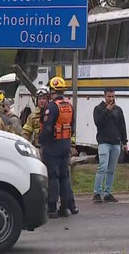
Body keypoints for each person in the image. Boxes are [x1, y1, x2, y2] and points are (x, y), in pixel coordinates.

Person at [38, 76, 78, 217]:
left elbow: (48, 128)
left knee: (53, 176)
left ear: (52, 91)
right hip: (65, 144)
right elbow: (72, 126)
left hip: (53, 145)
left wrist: (40, 140)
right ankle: (65, 207)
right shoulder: (69, 106)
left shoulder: (52, 107)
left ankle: (52, 207)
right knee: (64, 177)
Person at [92, 88, 128, 203]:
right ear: (104, 96)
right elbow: (98, 122)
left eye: (113, 96)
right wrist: (106, 111)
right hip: (104, 142)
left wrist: (124, 142)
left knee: (111, 169)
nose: (111, 99)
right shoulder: (98, 109)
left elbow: (122, 125)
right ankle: (97, 192)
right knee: (102, 167)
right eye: (109, 96)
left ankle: (107, 193)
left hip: (116, 142)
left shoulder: (118, 110)